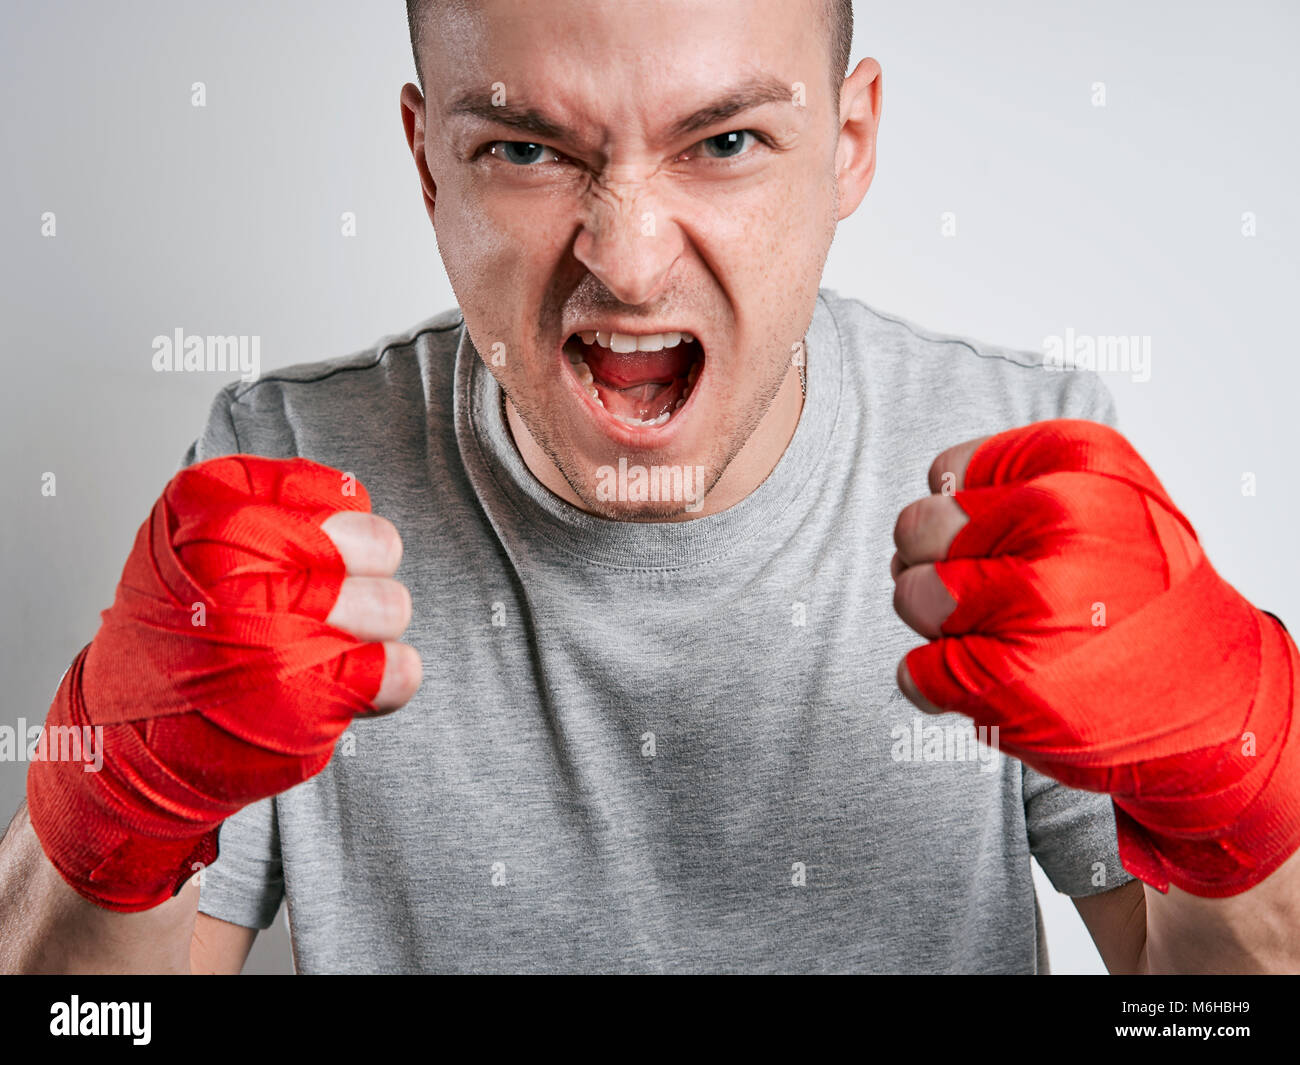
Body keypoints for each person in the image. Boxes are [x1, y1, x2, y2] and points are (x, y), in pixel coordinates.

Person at [2, 0, 1296, 975]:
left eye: (724, 139)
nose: (625, 262)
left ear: (847, 144)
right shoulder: (289, 472)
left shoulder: (1013, 453)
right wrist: (103, 815)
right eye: (523, 149)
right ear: (425, 161)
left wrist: (1244, 795)